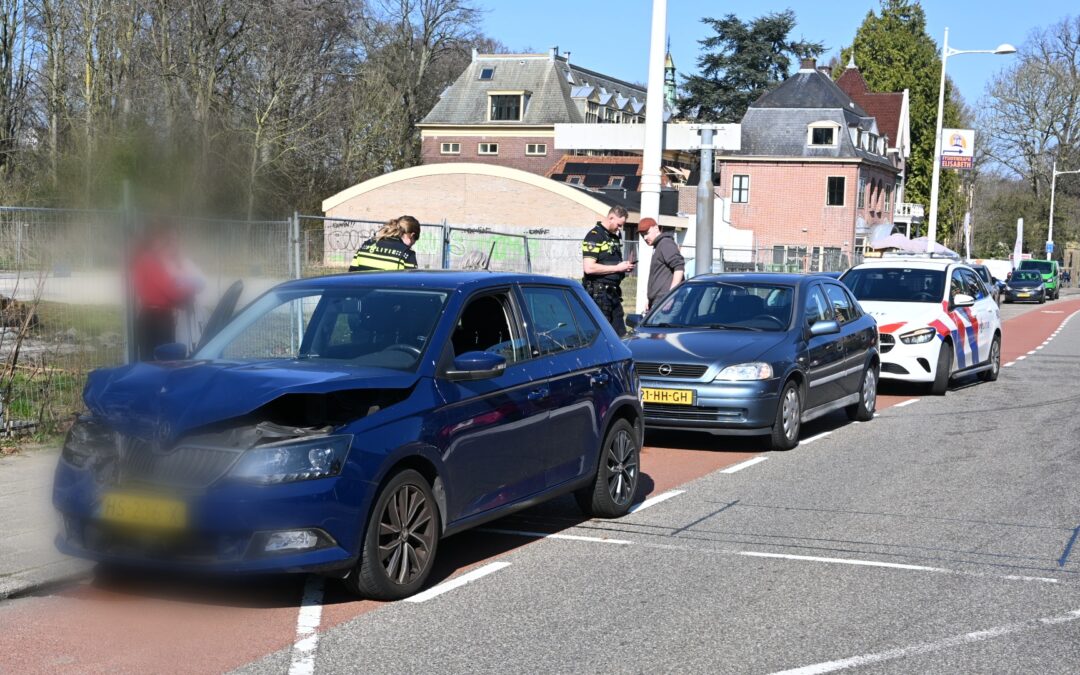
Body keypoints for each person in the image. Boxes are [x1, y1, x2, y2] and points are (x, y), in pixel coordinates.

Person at [131, 225, 199, 360]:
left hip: (151, 317)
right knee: (165, 362)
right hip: (157, 320)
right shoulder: (151, 262)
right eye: (166, 240)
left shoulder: (145, 260)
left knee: (150, 360)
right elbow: (171, 290)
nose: (168, 244)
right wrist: (190, 289)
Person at [582, 206, 634, 335]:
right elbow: (589, 268)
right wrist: (617, 268)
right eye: (619, 224)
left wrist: (623, 267)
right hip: (599, 295)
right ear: (611, 218)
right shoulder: (594, 236)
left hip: (613, 294)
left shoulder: (613, 238)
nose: (620, 228)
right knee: (601, 335)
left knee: (620, 335)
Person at [639, 217, 685, 313]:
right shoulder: (658, 245)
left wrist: (670, 296)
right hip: (659, 302)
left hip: (667, 303)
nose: (645, 238)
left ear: (656, 228)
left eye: (646, 233)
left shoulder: (665, 243)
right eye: (642, 235)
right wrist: (650, 299)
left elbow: (679, 267)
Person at [349, 216, 421, 271]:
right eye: (413, 242)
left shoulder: (366, 245)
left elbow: (351, 275)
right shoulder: (407, 254)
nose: (411, 246)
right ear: (412, 236)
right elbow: (410, 283)